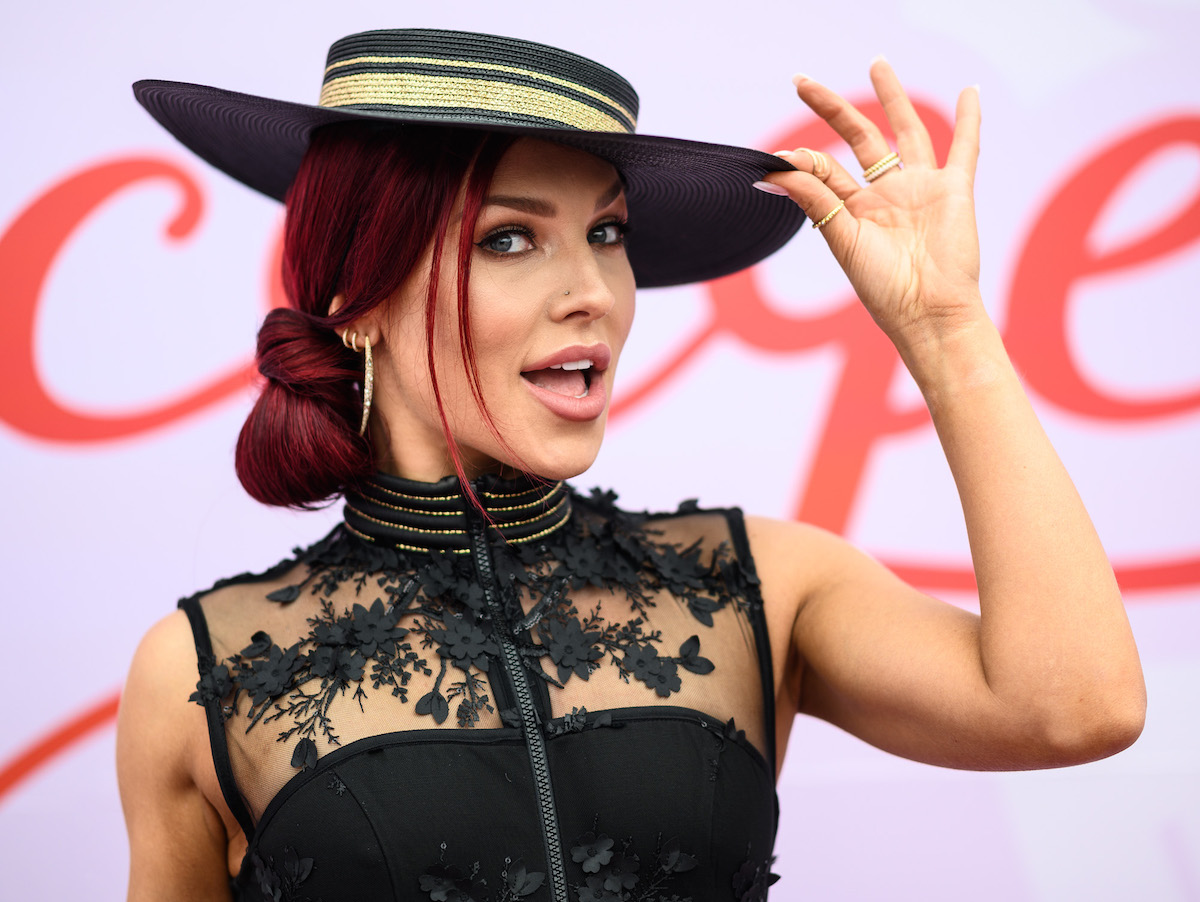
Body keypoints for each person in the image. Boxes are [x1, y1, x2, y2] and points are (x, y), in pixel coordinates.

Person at [116, 28, 1146, 902]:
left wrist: (948, 331)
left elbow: (1077, 707)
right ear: (358, 294)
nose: (597, 293)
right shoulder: (200, 674)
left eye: (607, 232)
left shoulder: (759, 585)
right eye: (511, 239)